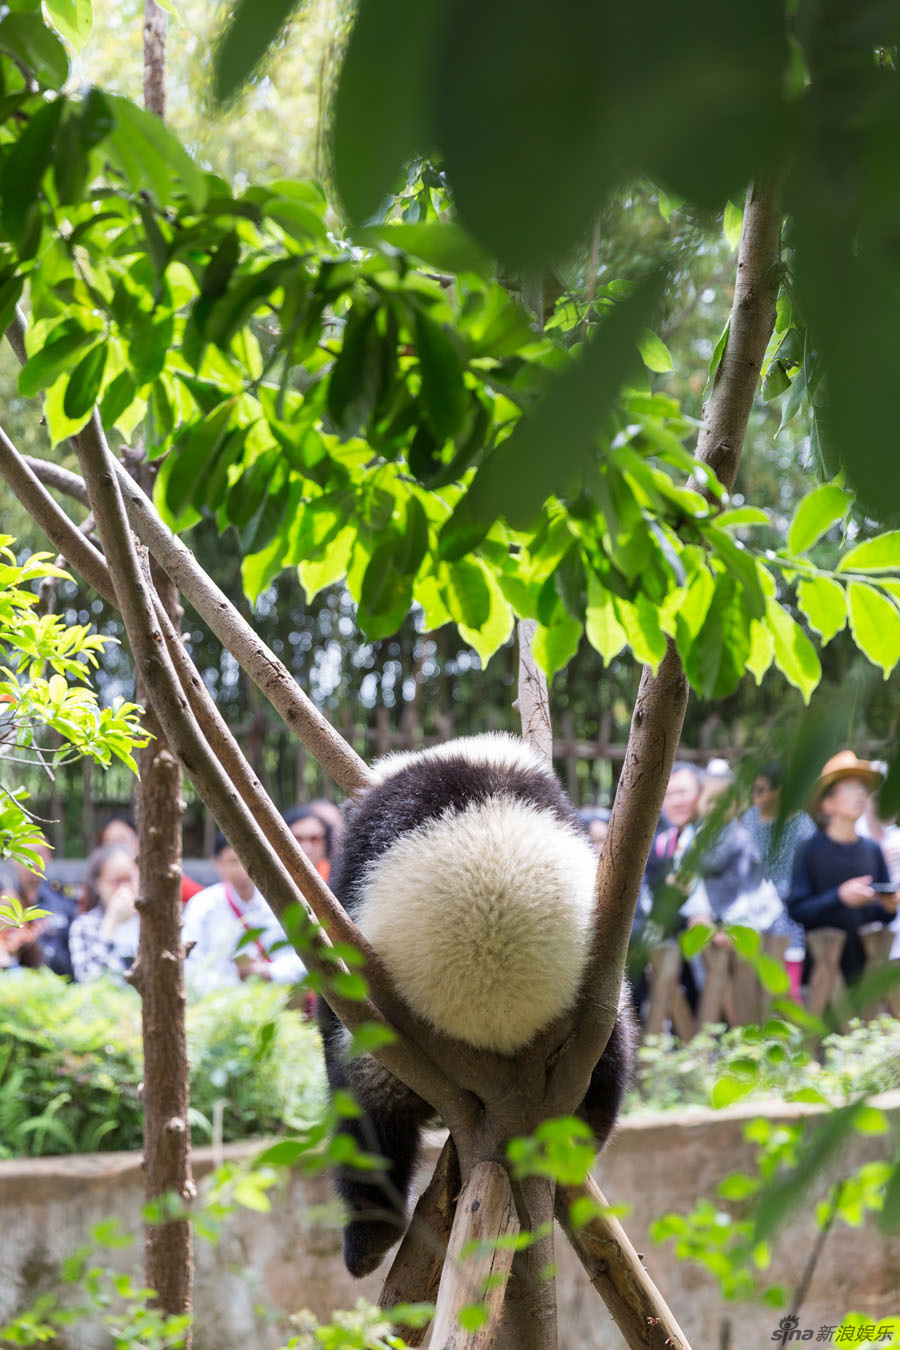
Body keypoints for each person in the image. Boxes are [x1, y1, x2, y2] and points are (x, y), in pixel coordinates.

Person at [787, 751, 899, 983]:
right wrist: (840, 897)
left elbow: (881, 914)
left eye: (862, 789)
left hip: (867, 972)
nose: (859, 794)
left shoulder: (872, 849)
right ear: (827, 803)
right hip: (822, 975)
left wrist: (888, 906)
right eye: (849, 788)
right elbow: (797, 910)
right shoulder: (809, 850)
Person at [182, 832, 307, 995]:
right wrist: (234, 983)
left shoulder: (281, 903)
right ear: (218, 864)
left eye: (247, 859)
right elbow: (190, 968)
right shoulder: (203, 906)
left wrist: (268, 972)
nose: (242, 870)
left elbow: (306, 960)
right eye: (234, 862)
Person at [741, 760, 816, 998]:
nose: (756, 796)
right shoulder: (749, 819)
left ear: (779, 790)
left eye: (762, 790)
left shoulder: (803, 825)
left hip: (789, 914)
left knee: (787, 986)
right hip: (752, 910)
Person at [1, 833, 76, 977]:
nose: (31, 861)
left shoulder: (61, 899)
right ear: (11, 858)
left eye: (38, 854)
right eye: (24, 854)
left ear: (49, 857)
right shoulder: (6, 899)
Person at [96, 810, 204, 903]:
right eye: (108, 841)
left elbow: (201, 898)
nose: (116, 847)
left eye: (121, 840)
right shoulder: (96, 879)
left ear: (138, 841)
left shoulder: (161, 874)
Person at [69, 845, 141, 982]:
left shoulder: (154, 922)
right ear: (98, 885)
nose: (124, 888)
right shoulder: (84, 926)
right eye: (115, 881)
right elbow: (88, 980)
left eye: (129, 879)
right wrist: (111, 923)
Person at [284, 805, 333, 882]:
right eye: (298, 839)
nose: (307, 847)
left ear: (325, 843)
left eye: (314, 839)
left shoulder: (338, 880)